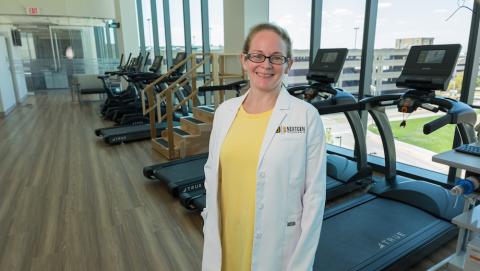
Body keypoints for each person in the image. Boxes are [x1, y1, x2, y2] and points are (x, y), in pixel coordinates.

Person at [201, 23, 326, 271]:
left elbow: (314, 198)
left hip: (276, 248)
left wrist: (301, 265)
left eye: (276, 57)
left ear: (288, 64)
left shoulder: (305, 117)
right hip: (226, 241)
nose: (266, 65)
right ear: (245, 60)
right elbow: (211, 172)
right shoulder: (225, 112)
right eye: (257, 56)